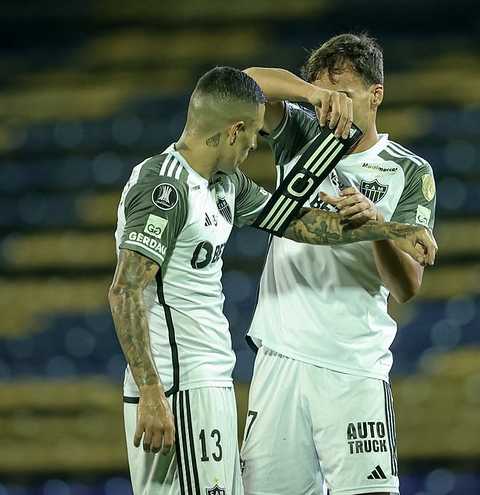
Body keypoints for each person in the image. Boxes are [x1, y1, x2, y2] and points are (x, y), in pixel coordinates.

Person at [107, 65, 436, 495]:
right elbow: (124, 290)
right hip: (175, 386)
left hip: (212, 380)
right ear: (234, 130)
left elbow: (299, 222)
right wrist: (151, 389)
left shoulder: (227, 186)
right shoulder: (164, 187)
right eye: (252, 135)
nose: (252, 145)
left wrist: (390, 229)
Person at [241, 33, 437, 495]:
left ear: (376, 95)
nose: (335, 112)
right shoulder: (303, 133)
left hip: (354, 365)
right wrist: (311, 95)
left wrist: (375, 227)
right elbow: (242, 84)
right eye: (327, 98)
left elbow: (407, 287)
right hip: (280, 358)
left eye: (344, 96)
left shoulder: (409, 171)